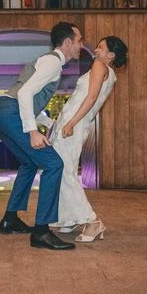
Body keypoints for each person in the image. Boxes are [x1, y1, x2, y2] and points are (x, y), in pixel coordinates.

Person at [0, 22, 83, 250]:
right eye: (80, 40)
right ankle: (41, 231)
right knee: (53, 164)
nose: (81, 45)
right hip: (9, 111)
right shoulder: (52, 62)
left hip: (1, 111)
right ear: (68, 42)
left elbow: (31, 100)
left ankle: (10, 219)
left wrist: (49, 123)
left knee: (29, 163)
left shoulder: (50, 62)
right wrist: (32, 131)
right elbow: (25, 93)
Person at [50, 36, 128, 242]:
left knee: (65, 172)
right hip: (78, 123)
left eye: (101, 47)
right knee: (63, 170)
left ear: (110, 55)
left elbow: (91, 98)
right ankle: (67, 219)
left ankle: (91, 221)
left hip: (74, 124)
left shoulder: (99, 66)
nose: (95, 49)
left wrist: (70, 123)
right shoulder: (110, 74)